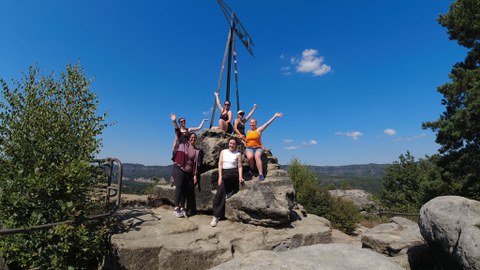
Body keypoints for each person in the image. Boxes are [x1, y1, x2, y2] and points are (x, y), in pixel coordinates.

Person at [170, 113, 203, 218]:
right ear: (189, 138)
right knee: (179, 186)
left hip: (188, 171)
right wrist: (174, 122)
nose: (192, 138)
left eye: (194, 137)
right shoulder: (184, 143)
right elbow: (177, 133)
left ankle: (183, 208)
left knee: (185, 189)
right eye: (191, 137)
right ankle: (176, 208)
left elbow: (196, 164)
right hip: (179, 167)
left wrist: (194, 175)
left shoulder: (197, 150)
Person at [211, 138, 244, 227]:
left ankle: (230, 190)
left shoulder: (238, 154)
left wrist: (240, 177)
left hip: (233, 172)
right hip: (224, 173)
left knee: (229, 179)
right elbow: (220, 164)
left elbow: (240, 166)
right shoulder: (223, 152)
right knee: (219, 194)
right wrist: (220, 176)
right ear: (228, 144)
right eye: (230, 143)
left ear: (235, 145)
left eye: (233, 144)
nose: (231, 145)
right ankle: (216, 216)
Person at [245, 112, 283, 181]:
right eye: (251, 122)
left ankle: (260, 174)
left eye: (254, 122)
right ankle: (252, 170)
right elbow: (247, 140)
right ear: (249, 124)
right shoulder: (248, 132)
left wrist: (275, 116)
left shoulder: (258, 130)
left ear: (256, 124)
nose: (252, 124)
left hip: (257, 148)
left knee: (257, 156)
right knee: (250, 157)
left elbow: (267, 123)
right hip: (249, 148)